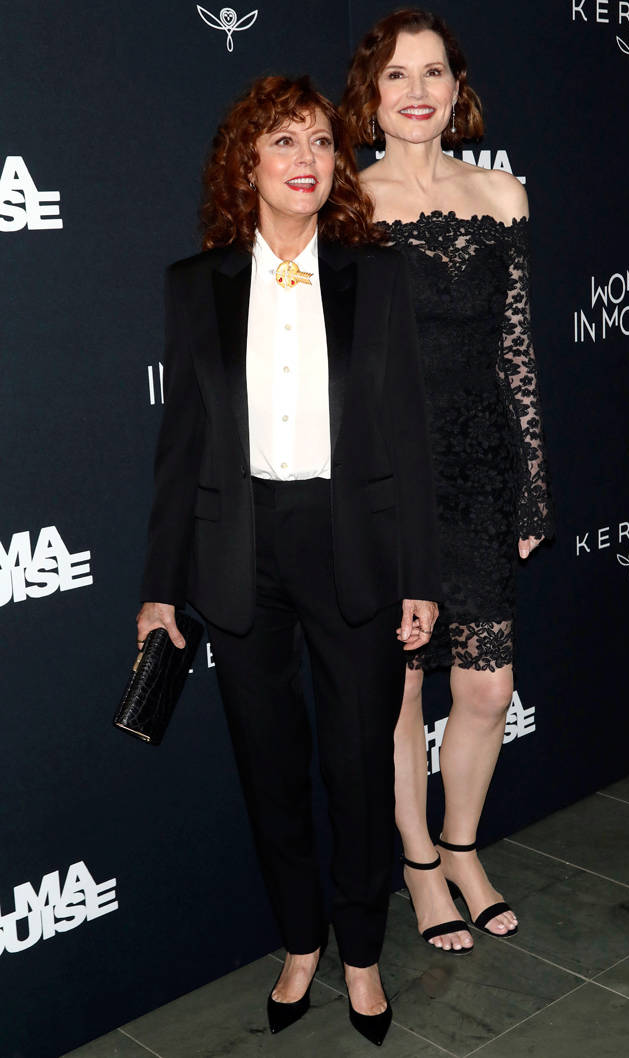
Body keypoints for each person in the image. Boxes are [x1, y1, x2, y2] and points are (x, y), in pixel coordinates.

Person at [136, 74, 441, 1045]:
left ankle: (362, 953)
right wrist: (160, 586)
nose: (305, 158)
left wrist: (421, 574)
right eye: (282, 141)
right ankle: (300, 943)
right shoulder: (196, 284)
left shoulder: (377, 276)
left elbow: (410, 432)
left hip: (353, 545)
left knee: (357, 767)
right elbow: (182, 442)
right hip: (238, 550)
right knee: (270, 768)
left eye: (318, 140)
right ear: (247, 164)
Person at [342, 10, 553, 954]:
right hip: (388, 477)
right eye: (397, 74)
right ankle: (420, 864)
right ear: (371, 94)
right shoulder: (345, 202)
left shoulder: (502, 195)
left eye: (433, 72)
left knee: (485, 688)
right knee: (399, 692)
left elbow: (516, 354)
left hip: (479, 468)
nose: (417, 91)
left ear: (456, 88)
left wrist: (532, 483)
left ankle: (464, 847)